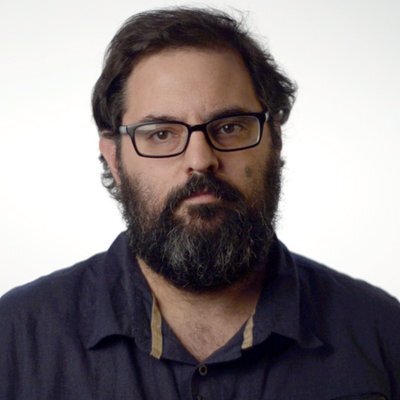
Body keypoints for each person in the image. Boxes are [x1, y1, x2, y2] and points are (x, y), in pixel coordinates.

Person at [0, 7, 399, 400]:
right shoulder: (14, 339)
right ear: (114, 159)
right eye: (161, 134)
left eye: (230, 127)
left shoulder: (383, 333)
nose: (201, 159)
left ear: (275, 141)